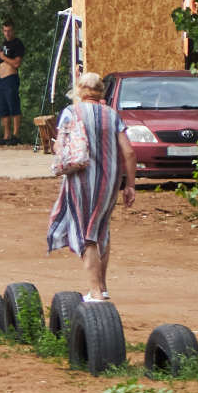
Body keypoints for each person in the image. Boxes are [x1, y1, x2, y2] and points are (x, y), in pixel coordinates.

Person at [48, 70, 134, 300]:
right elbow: (129, 151)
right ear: (101, 92)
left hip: (81, 180)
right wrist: (131, 186)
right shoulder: (112, 115)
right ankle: (102, 287)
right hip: (110, 182)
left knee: (86, 233)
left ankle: (95, 291)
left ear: (79, 91)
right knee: (100, 229)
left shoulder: (70, 113)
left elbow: (61, 148)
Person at [0, 21, 28, 144]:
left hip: (10, 78)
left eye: (9, 30)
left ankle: (15, 135)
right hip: (1, 80)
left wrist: (3, 57)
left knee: (13, 104)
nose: (7, 33)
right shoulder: (3, 45)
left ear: (13, 31)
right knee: (3, 108)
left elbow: (16, 63)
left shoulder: (17, 43)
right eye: (5, 30)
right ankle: (6, 136)